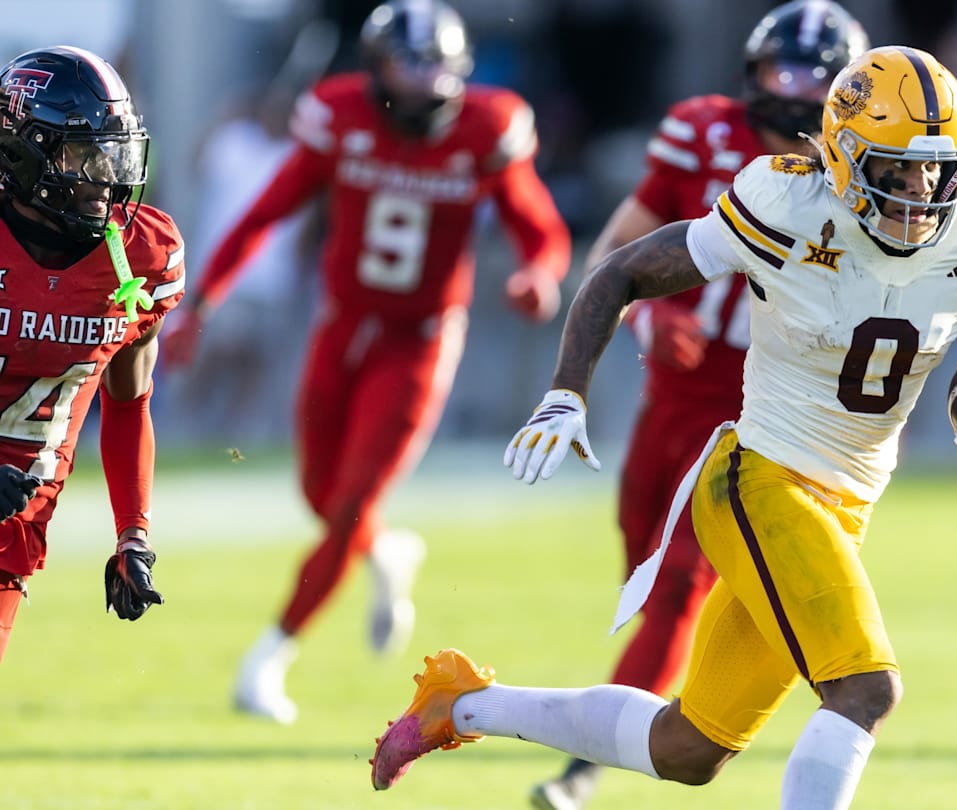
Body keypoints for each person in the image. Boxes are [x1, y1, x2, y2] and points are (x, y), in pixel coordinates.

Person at [369, 46, 957, 809]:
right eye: (897, 171)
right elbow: (622, 271)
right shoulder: (788, 206)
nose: (920, 193)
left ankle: (462, 705)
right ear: (844, 157)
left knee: (687, 748)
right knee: (866, 689)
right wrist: (566, 392)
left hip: (845, 509)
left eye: (936, 171)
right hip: (761, 483)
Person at [161, 0, 572, 724]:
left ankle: (270, 656)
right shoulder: (339, 115)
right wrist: (200, 305)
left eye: (435, 67)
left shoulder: (486, 127)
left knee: (351, 502)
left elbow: (540, 227)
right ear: (377, 69)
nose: (422, 83)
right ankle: (386, 554)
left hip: (421, 340)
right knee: (319, 491)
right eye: (408, 66)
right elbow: (265, 212)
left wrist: (539, 272)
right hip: (342, 326)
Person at [528, 3, 869, 808]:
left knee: (678, 585)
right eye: (783, 71)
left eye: (815, 77)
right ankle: (615, 716)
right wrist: (654, 317)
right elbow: (620, 249)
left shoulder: (864, 175)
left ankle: (582, 773)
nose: (796, 90)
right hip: (671, 395)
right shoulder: (701, 130)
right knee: (641, 568)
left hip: (763, 410)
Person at [0, 46, 182, 662]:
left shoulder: (141, 257)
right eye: (84, 155)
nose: (106, 178)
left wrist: (133, 533)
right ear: (25, 150)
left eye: (113, 153)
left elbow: (129, 403)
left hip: (12, 534)